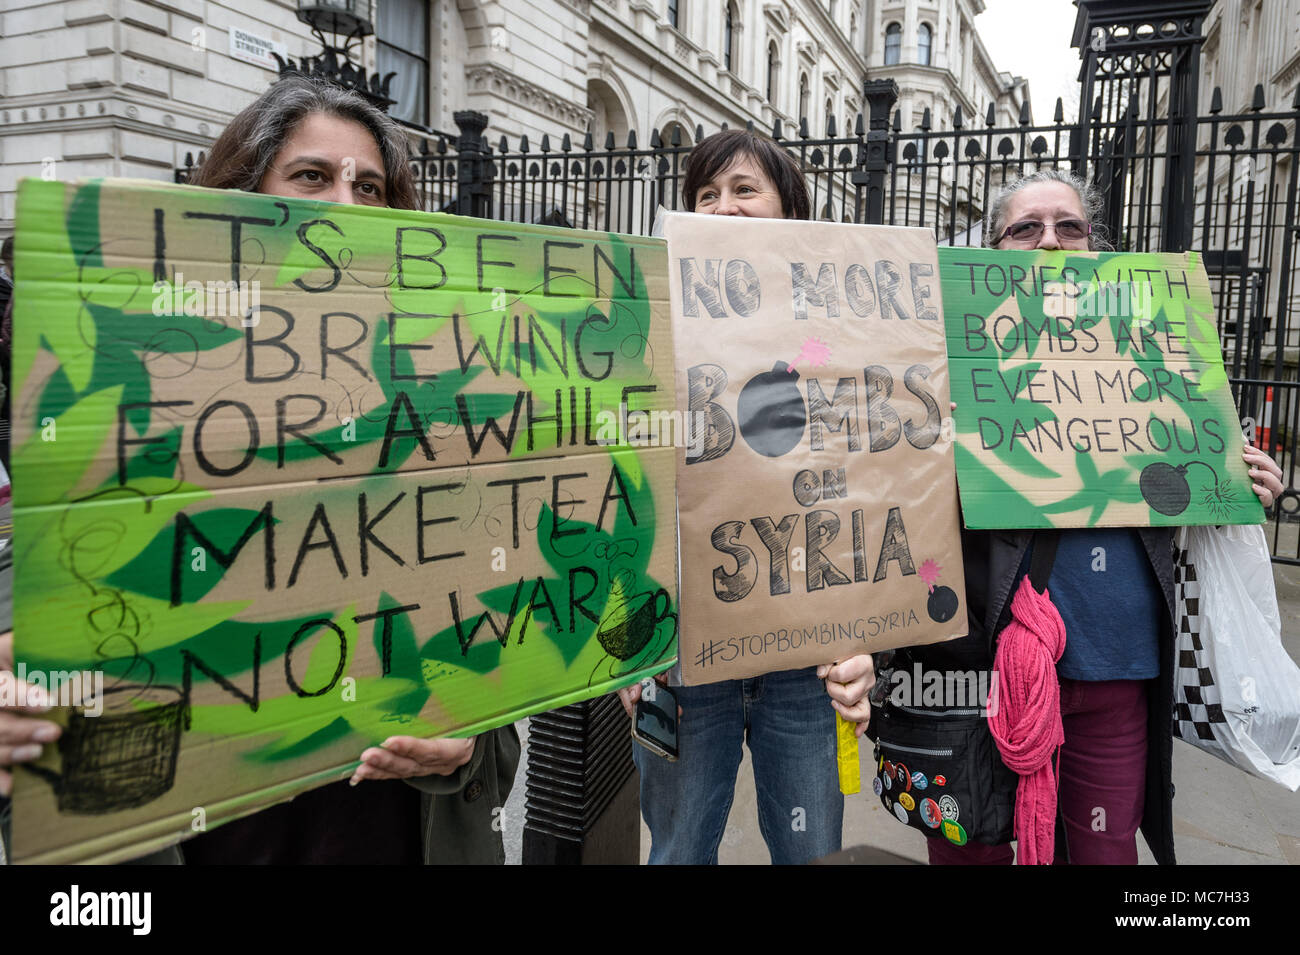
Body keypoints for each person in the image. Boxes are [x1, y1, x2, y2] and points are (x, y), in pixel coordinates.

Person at [0, 75, 519, 865]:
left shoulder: (442, 419)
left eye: (370, 186)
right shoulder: (126, 408)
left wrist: (470, 744)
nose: (344, 207)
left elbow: (504, 703)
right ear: (237, 203)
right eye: (311, 176)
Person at [883, 168, 1285, 865]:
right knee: (969, 852)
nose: (1050, 242)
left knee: (1103, 851)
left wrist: (1240, 483)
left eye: (1070, 227)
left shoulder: (1154, 346)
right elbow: (891, 514)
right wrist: (926, 451)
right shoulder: (939, 357)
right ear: (993, 249)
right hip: (978, 669)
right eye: (1026, 228)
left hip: (1116, 665)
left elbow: (1184, 481)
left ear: (1095, 244)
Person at [618, 128, 866, 865]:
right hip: (682, 655)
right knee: (679, 848)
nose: (721, 208)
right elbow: (615, 486)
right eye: (705, 194)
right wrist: (623, 641)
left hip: (809, 659)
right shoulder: (649, 326)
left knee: (811, 849)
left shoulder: (846, 332)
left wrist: (869, 631)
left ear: (791, 210)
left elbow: (881, 488)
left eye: (743, 190)